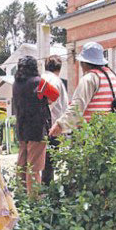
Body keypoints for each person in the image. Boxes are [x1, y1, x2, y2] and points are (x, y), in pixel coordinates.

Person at [49, 42, 116, 137]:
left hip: (92, 135)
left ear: (84, 63)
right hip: (111, 133)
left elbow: (77, 106)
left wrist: (60, 124)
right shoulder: (113, 76)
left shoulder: (89, 78)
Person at [12, 56, 53, 195]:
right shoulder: (39, 82)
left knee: (22, 164)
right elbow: (55, 95)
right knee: (34, 167)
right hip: (37, 128)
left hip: (22, 128)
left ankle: (20, 195)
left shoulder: (16, 84)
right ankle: (33, 200)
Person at [41, 55, 68, 184]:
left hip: (40, 125)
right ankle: (46, 190)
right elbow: (49, 103)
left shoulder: (41, 79)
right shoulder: (56, 81)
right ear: (59, 68)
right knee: (49, 162)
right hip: (53, 126)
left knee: (37, 161)